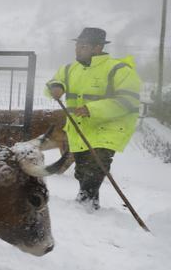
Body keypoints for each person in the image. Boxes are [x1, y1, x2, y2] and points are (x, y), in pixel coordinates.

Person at [46, 27, 141, 210]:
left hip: (109, 129)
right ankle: (89, 206)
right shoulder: (69, 69)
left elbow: (128, 101)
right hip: (80, 128)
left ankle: (85, 205)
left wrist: (92, 109)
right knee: (82, 171)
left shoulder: (119, 70)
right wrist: (56, 87)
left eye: (83, 46)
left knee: (95, 167)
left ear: (97, 48)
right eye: (77, 45)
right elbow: (54, 81)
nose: (77, 49)